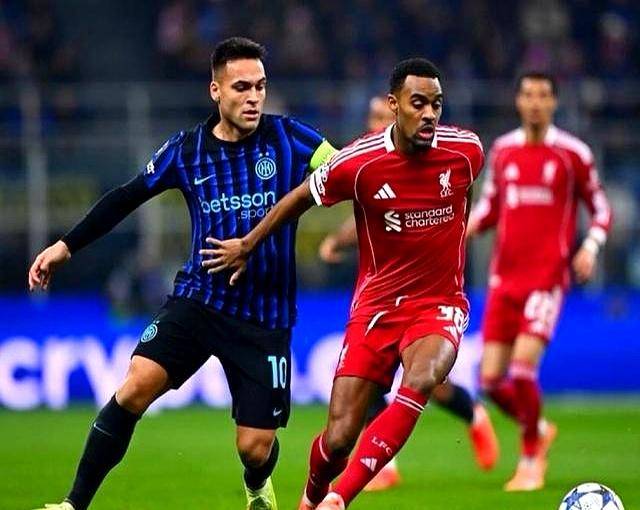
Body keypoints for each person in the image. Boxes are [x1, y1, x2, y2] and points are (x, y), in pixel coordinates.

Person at [27, 37, 336, 510]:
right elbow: (126, 196)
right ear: (216, 90)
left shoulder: (290, 137)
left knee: (254, 449)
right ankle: (73, 504)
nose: (254, 97)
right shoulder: (186, 150)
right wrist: (65, 246)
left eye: (260, 87)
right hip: (198, 301)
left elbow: (345, 168)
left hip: (264, 316)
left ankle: (257, 482)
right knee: (135, 385)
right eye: (241, 87)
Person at [203, 58, 485, 510]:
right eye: (418, 103)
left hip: (439, 303)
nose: (430, 114)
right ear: (393, 105)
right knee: (337, 439)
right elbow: (299, 198)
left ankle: (339, 498)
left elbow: (460, 204)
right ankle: (313, 495)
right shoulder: (358, 162)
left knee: (423, 378)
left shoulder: (466, 152)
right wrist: (249, 244)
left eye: (436, 104)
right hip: (376, 308)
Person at [318, 95, 498, 491]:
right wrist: (338, 240)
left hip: (428, 292)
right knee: (366, 379)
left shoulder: (427, 158)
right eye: (372, 116)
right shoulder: (368, 161)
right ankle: (385, 465)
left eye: (381, 116)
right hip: (380, 292)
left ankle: (474, 415)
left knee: (431, 385)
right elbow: (370, 212)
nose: (376, 122)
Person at [467, 71, 612, 491]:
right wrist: (463, 228)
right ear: (517, 101)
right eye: (528, 94)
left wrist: (590, 247)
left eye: (543, 95)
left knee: (522, 370)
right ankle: (540, 428)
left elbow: (601, 209)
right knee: (490, 381)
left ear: (553, 102)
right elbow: (490, 207)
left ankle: (531, 458)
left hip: (545, 279)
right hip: (504, 280)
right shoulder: (503, 150)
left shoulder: (572, 153)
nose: (534, 102)